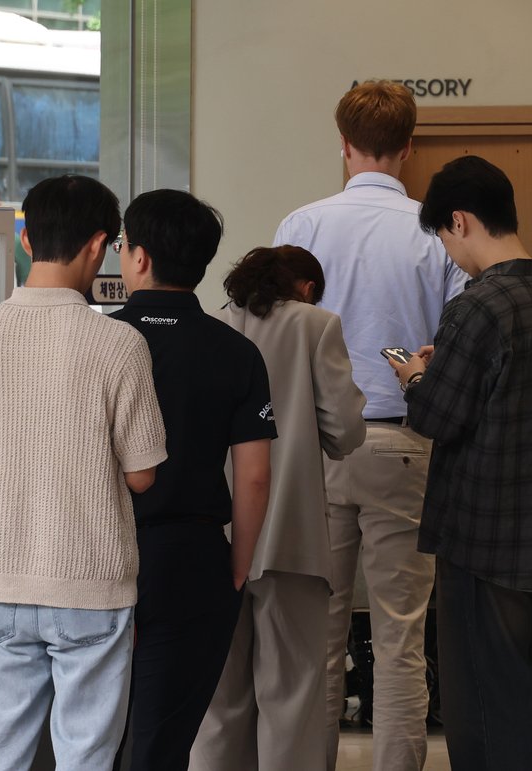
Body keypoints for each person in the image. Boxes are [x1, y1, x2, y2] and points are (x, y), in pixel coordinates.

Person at [273, 79, 467, 771]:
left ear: (344, 146)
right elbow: (455, 347)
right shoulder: (436, 234)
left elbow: (275, 341)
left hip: (314, 451)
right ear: (408, 147)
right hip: (404, 445)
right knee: (401, 639)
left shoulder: (300, 227)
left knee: (315, 639)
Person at [0, 174, 167, 770]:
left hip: (7, 580)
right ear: (100, 246)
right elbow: (143, 473)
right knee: (86, 756)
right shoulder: (118, 343)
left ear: (24, 237)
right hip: (92, 584)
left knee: (1, 752)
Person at [386, 155, 532, 771]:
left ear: (460, 220)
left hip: (485, 536)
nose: (451, 254)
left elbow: (437, 419)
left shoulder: (478, 307)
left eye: (446, 239)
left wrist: (419, 376)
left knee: (485, 706)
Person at [111, 190, 277, 771]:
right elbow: (255, 476)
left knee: (90, 735)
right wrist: (238, 565)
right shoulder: (235, 351)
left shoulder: (101, 342)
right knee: (162, 742)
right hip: (194, 554)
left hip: (100, 551)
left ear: (139, 257)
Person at [191, 246, 367, 771]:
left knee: (220, 699)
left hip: (218, 535)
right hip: (290, 535)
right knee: (292, 693)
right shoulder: (316, 325)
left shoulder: (210, 326)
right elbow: (344, 431)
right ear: (309, 288)